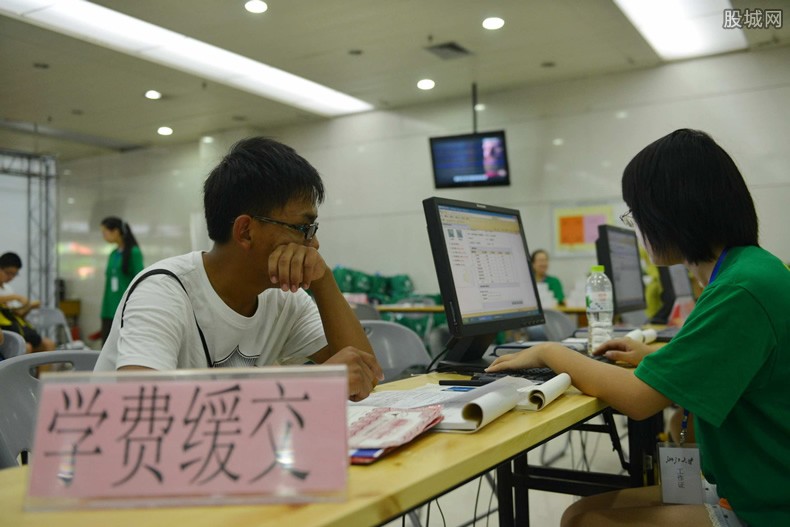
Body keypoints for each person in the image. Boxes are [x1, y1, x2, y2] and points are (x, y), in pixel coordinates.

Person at [487, 129, 790, 526]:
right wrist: (661, 356)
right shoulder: (753, 270)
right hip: (758, 483)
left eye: (637, 213)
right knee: (580, 511)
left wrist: (550, 352)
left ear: (673, 211)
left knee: (584, 522)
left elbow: (638, 399)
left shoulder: (740, 288)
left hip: (769, 506)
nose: (637, 226)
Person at [94, 137, 383, 402]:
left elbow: (364, 378)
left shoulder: (284, 299)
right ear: (245, 231)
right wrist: (310, 383)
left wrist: (323, 282)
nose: (314, 244)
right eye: (303, 228)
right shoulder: (163, 290)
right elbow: (142, 406)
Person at [99, 216, 144, 344]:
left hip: (125, 309)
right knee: (106, 347)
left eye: (105, 232)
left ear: (116, 231)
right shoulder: (113, 254)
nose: (103, 236)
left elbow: (140, 280)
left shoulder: (134, 253)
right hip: (108, 309)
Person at [0, 252, 56, 353]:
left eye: (14, 274)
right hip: (5, 331)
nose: (11, 277)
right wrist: (16, 297)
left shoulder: (7, 288)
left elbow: (18, 315)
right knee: (26, 347)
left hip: (14, 327)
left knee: (49, 344)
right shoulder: (12, 295)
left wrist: (28, 306)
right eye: (8, 273)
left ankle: (44, 370)